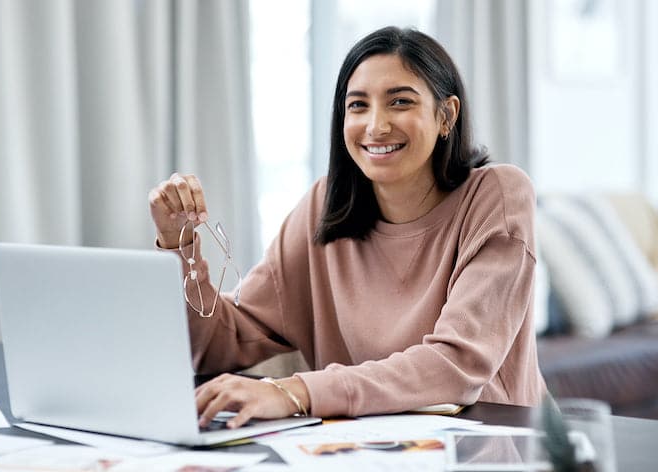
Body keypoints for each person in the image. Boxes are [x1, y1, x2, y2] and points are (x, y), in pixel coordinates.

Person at [148, 26, 547, 429]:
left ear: (447, 115)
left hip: (491, 446)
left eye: (400, 102)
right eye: (358, 106)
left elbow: (456, 365)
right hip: (357, 451)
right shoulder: (323, 208)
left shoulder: (497, 195)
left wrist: (295, 393)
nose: (376, 126)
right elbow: (216, 346)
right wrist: (178, 243)